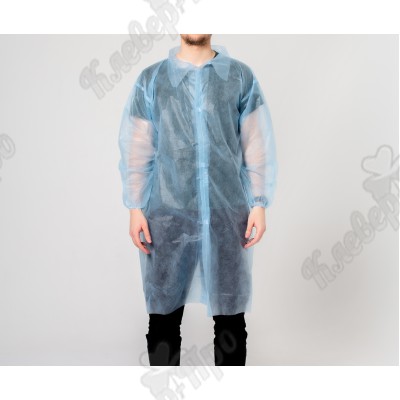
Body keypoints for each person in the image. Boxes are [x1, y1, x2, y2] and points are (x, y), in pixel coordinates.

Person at [118, 34, 278, 366]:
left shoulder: (239, 77)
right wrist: (135, 207)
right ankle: (165, 384)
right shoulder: (152, 80)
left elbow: (256, 142)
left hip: (227, 212)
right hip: (168, 213)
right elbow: (137, 148)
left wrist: (259, 202)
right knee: (163, 318)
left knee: (230, 319)